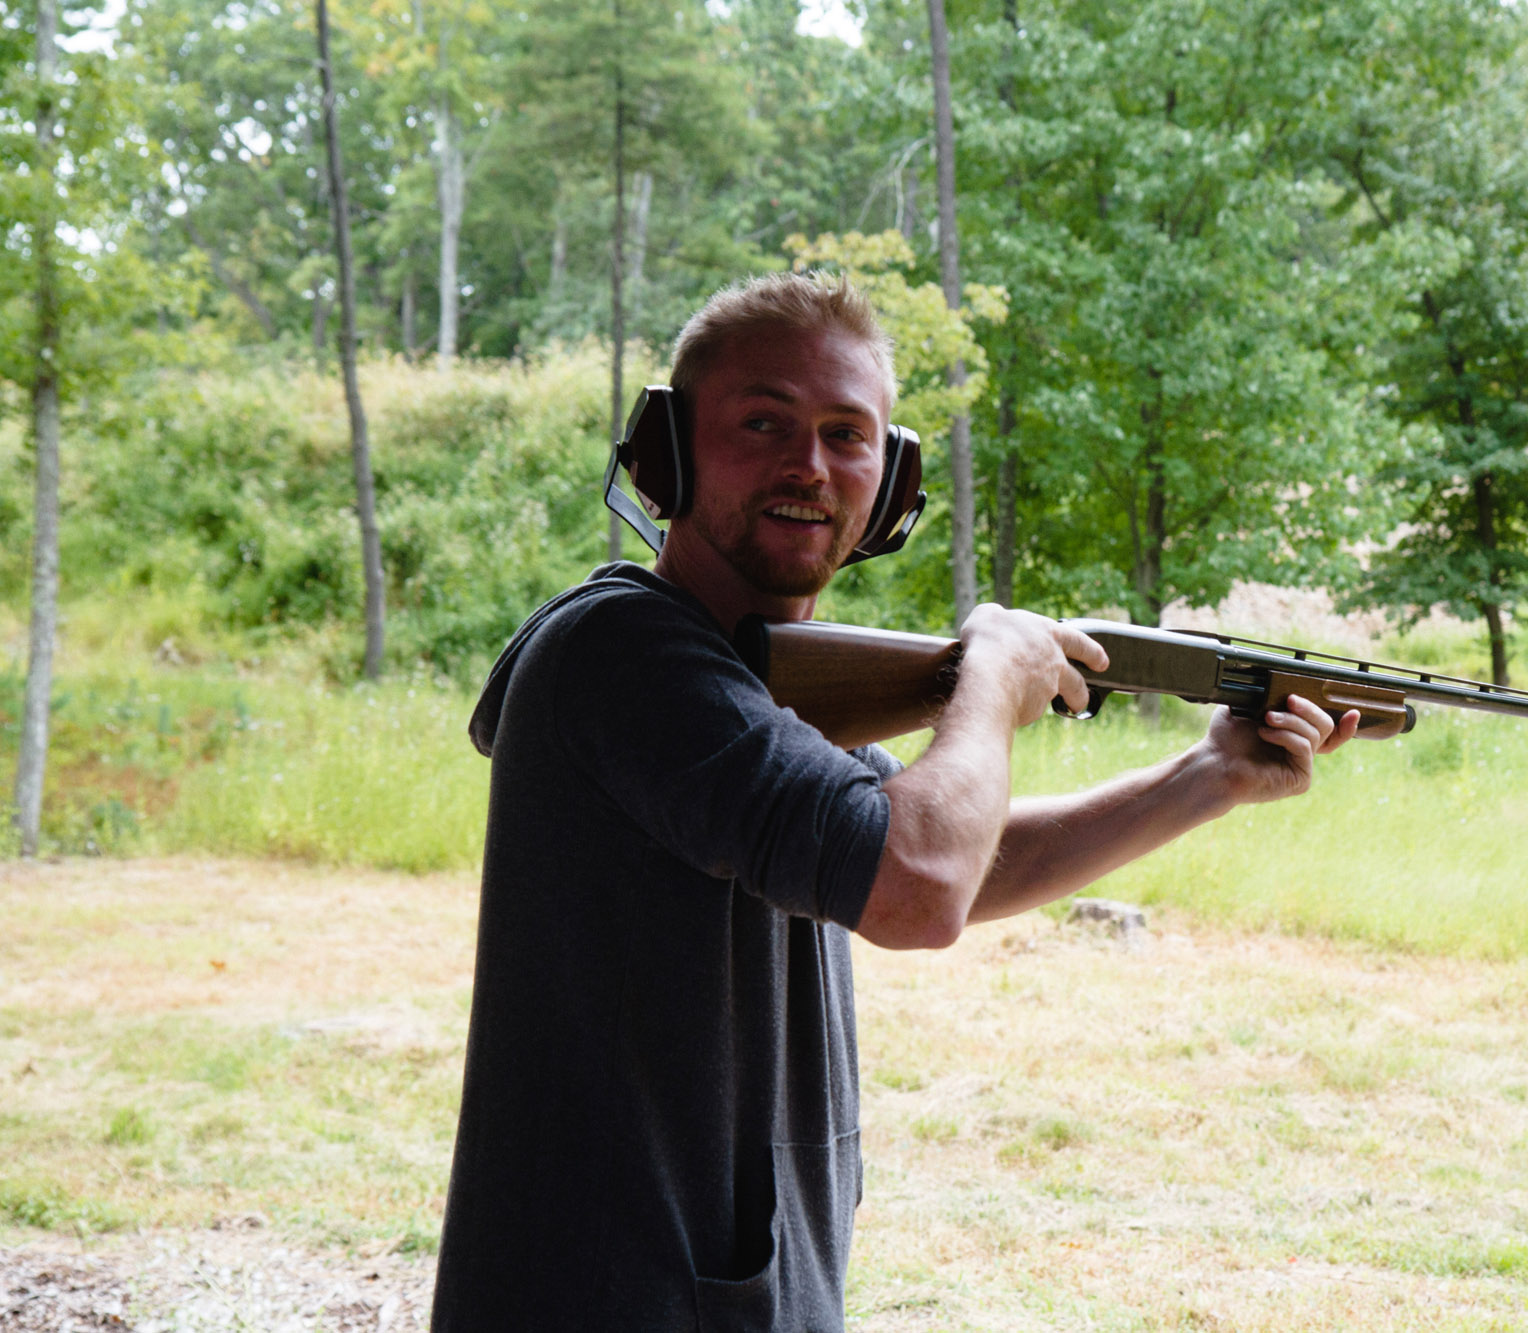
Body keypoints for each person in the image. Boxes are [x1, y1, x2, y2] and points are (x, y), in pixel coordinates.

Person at [429, 273, 1359, 1331]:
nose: (807, 464)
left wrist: (1208, 776)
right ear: (666, 455)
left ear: (894, 479)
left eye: (846, 433)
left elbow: (961, 855)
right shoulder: (626, 654)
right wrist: (992, 682)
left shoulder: (745, 690)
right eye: (762, 422)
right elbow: (919, 886)